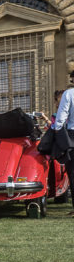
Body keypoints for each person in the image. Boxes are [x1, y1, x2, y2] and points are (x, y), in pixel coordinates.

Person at [52, 69, 74, 215]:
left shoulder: (69, 94)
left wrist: (56, 130)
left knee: (73, 172)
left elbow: (61, 117)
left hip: (73, 134)